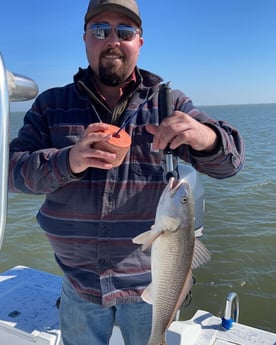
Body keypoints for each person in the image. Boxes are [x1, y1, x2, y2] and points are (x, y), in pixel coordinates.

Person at [8, 1, 245, 344]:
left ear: (140, 41)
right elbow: (11, 173)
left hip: (150, 283)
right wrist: (69, 160)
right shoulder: (50, 105)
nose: (113, 40)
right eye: (101, 30)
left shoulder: (169, 104)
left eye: (125, 31)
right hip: (78, 283)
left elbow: (231, 164)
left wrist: (207, 139)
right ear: (86, 39)